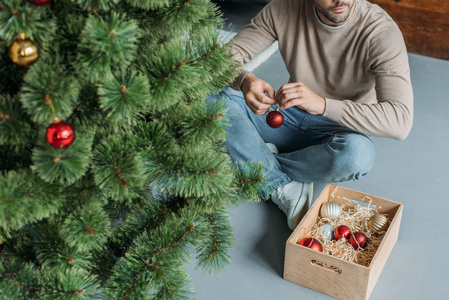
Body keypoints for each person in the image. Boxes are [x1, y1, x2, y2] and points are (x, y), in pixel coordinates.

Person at [211, 0, 413, 230]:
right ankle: (282, 182)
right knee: (206, 92)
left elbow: (400, 121)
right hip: (284, 116)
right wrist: (245, 80)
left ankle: (255, 160)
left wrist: (322, 104)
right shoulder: (282, 8)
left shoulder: (381, 31)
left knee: (358, 155)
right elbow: (218, 61)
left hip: (336, 132)